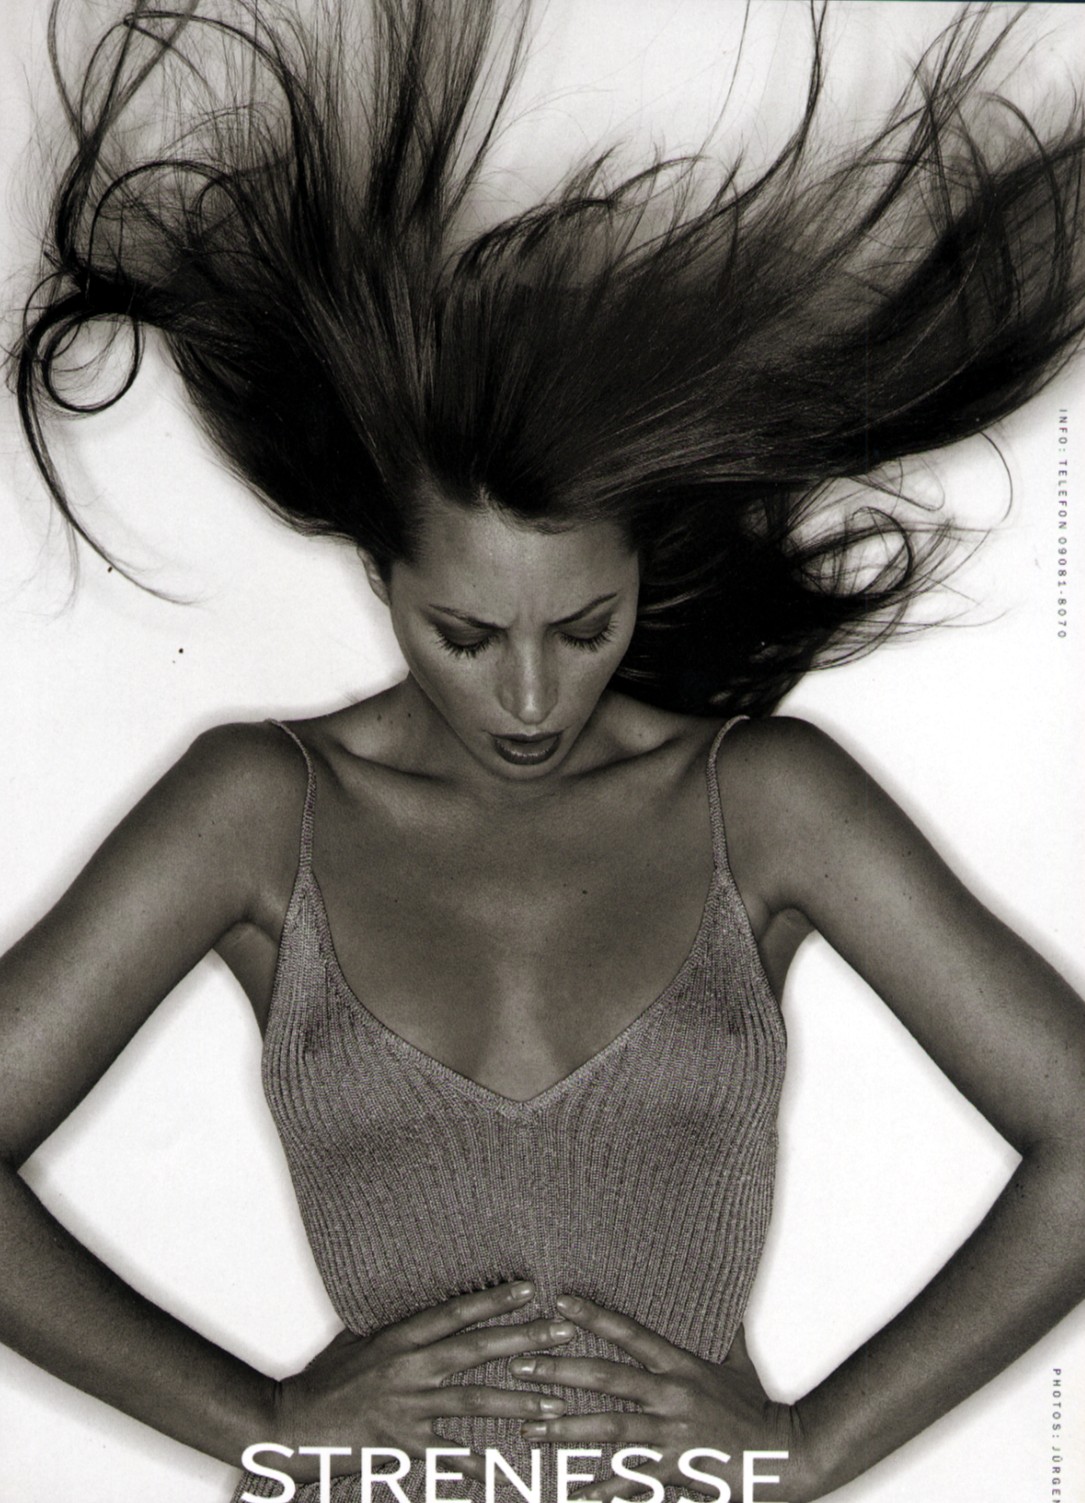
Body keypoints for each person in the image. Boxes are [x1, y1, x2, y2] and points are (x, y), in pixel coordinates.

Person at [1, 2, 1084, 1500]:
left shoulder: (761, 804)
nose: (528, 698)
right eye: (465, 635)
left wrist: (806, 1452)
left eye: (584, 628)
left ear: (641, 569)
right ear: (381, 575)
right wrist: (264, 1425)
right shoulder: (262, 812)